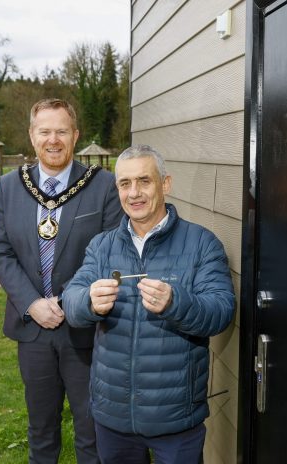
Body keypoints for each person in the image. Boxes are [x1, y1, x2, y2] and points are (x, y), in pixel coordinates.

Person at [63, 145, 236, 464]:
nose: (134, 193)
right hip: (113, 417)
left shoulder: (201, 244)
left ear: (165, 184)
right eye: (125, 183)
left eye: (144, 181)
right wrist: (88, 301)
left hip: (176, 419)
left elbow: (221, 312)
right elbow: (71, 301)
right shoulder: (102, 247)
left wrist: (176, 302)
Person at [0, 98, 122, 463]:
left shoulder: (103, 185)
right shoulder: (9, 187)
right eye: (44, 131)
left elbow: (109, 251)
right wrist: (33, 303)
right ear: (32, 136)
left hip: (86, 330)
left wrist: (66, 303)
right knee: (41, 429)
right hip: (32, 329)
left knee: (92, 429)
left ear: (75, 135)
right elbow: (1, 252)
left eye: (61, 131)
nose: (53, 139)